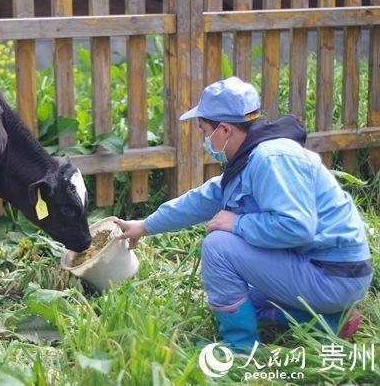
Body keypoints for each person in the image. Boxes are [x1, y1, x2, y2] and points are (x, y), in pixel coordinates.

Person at [115, 77, 373, 354]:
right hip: (320, 267)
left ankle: (240, 349)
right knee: (243, 299)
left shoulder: (271, 159)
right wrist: (144, 226)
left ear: (224, 129)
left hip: (333, 275)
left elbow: (297, 227)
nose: (205, 139)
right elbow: (202, 199)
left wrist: (237, 223)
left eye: (205, 130)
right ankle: (329, 323)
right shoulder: (251, 158)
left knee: (218, 247)